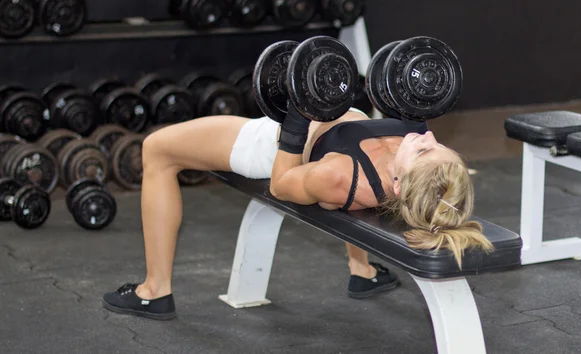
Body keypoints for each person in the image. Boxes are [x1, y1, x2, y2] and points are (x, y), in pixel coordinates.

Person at [102, 100, 493, 320]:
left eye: (424, 148)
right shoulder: (410, 167)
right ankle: (363, 270)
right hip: (327, 125)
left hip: (269, 145)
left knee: (157, 149)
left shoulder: (337, 176)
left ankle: (154, 291)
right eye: (435, 142)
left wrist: (295, 119)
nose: (425, 137)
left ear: (397, 186)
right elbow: (416, 160)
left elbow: (280, 184)